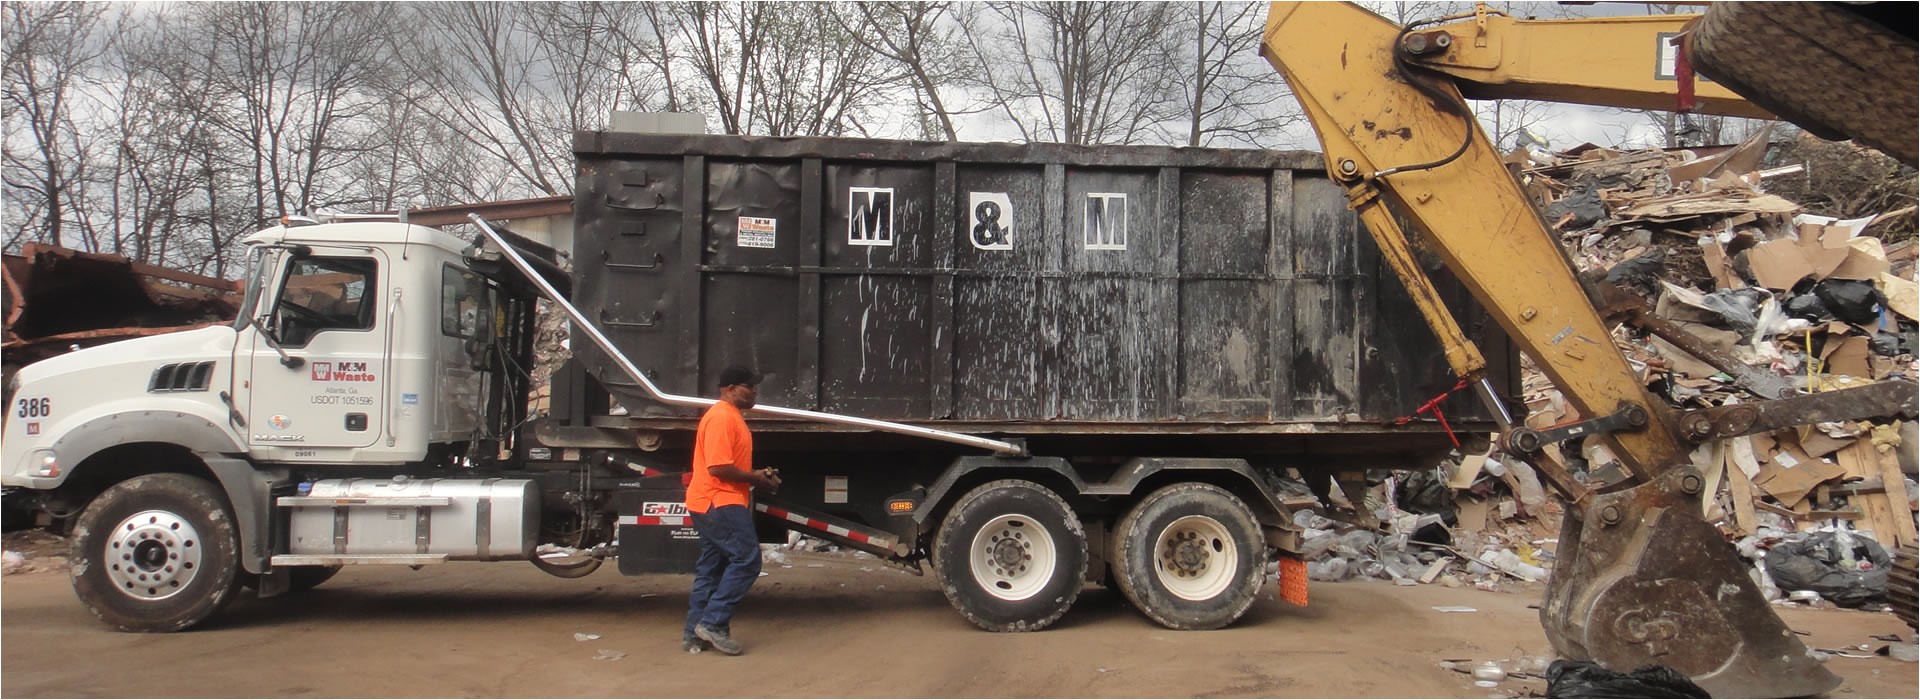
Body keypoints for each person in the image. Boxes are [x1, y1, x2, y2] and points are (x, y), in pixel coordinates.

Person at [682, 365, 781, 655]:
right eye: (749, 386)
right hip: (719, 501)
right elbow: (719, 467)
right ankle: (712, 624)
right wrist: (756, 478)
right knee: (748, 560)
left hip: (711, 500)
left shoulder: (728, 417)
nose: (755, 392)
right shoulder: (722, 418)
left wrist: (757, 474)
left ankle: (694, 635)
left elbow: (727, 464)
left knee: (711, 568)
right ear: (730, 389)